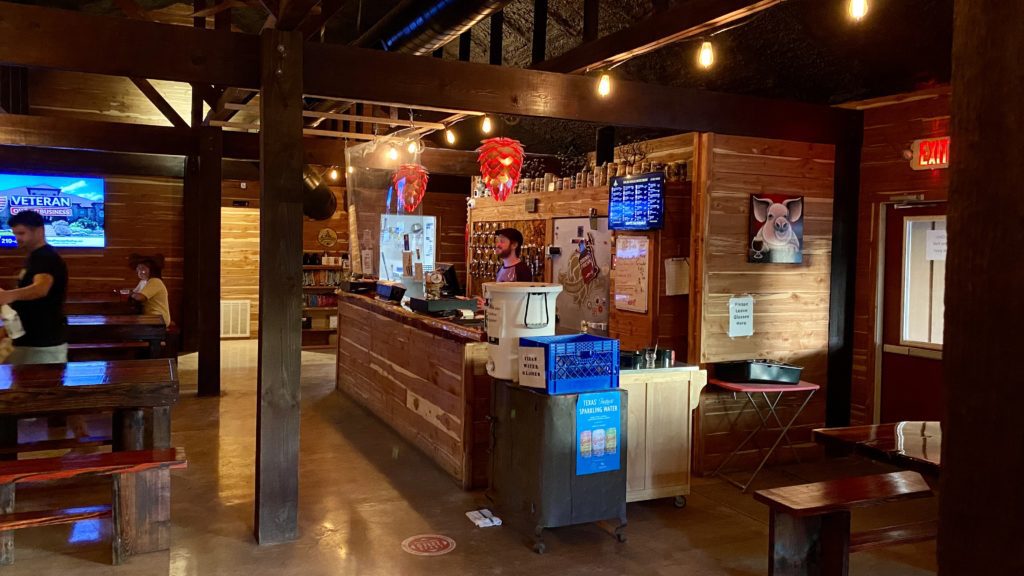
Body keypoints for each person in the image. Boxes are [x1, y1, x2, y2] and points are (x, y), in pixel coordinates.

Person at [0, 210, 68, 364]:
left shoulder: (45, 257)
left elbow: (40, 289)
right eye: (15, 233)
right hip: (30, 341)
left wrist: (8, 296)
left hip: (42, 344)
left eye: (22, 233)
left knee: (40, 388)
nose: (17, 238)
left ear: (39, 231)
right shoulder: (35, 257)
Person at [128, 254, 171, 327]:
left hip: (159, 318)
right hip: (150, 316)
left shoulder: (155, 281)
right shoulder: (143, 282)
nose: (140, 271)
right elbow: (135, 293)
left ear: (152, 270)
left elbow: (140, 297)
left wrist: (131, 293)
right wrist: (132, 293)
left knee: (129, 324)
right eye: (138, 269)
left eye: (143, 269)